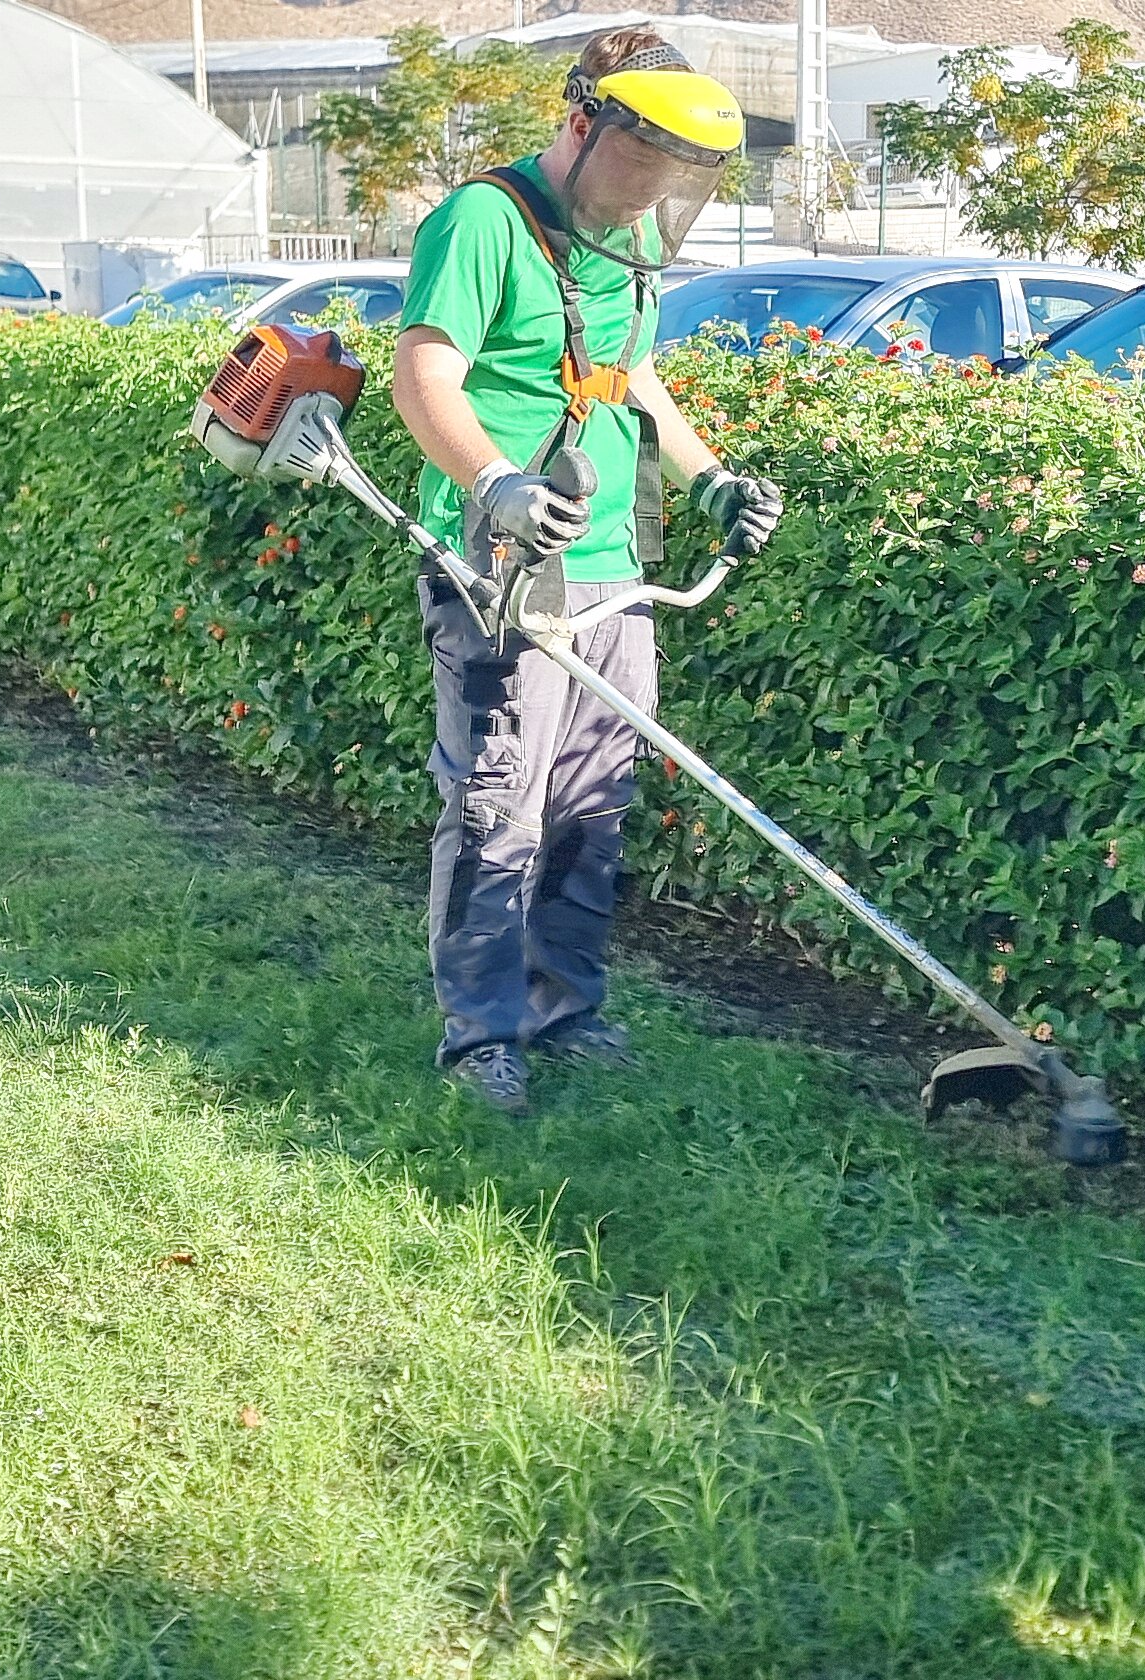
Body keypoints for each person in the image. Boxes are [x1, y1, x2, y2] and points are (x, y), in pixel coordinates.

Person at [390, 28, 785, 1115]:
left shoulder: (627, 242)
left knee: (589, 804)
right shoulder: (486, 220)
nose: (642, 202)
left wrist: (707, 483)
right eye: (634, 175)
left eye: (668, 185)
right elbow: (422, 375)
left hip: (615, 565)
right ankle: (482, 1036)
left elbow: (630, 377)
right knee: (497, 804)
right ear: (580, 124)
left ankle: (566, 1005)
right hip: (503, 562)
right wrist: (494, 484)